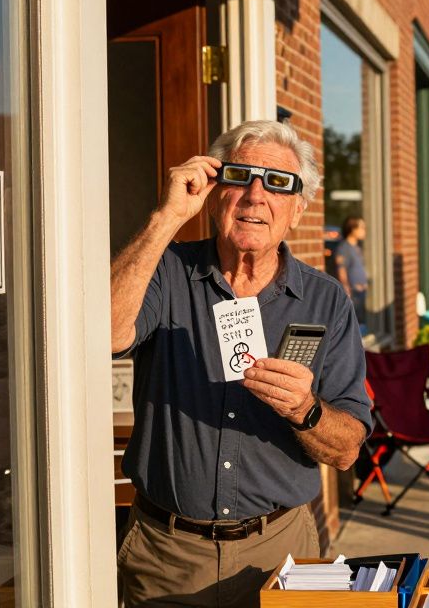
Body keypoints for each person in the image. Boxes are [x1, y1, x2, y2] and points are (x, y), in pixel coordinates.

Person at [110, 120, 372, 607]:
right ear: (214, 194)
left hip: (279, 554)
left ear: (298, 210)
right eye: (240, 176)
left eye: (277, 183)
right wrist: (167, 218)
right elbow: (104, 332)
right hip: (167, 555)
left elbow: (346, 449)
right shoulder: (168, 270)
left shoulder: (325, 300)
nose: (255, 195)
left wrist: (305, 409)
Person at [334, 216, 369, 332]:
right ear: (353, 229)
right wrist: (347, 289)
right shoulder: (344, 248)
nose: (364, 230)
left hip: (361, 292)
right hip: (353, 293)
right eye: (362, 228)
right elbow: (341, 270)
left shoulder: (357, 248)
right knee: (354, 325)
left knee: (362, 322)